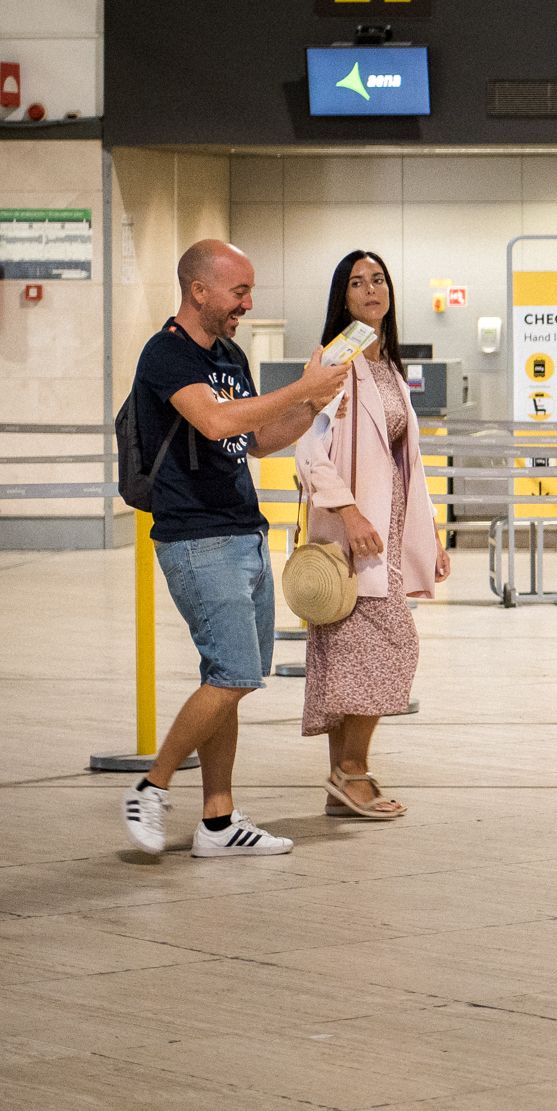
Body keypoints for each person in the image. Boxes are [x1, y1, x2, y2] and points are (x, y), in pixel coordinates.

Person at [121, 240, 346, 859]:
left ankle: (218, 822)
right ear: (199, 290)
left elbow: (254, 440)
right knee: (234, 674)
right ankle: (150, 786)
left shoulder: (229, 355)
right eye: (238, 291)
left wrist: (312, 404)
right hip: (197, 538)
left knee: (230, 678)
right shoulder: (167, 353)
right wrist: (299, 386)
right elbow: (217, 421)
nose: (247, 304)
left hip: (244, 530)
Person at [295, 251, 448, 820]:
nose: (370, 290)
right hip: (356, 535)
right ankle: (353, 773)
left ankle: (344, 781)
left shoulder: (387, 367)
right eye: (357, 283)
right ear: (343, 298)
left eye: (378, 280)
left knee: (350, 663)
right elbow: (309, 449)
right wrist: (350, 512)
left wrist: (431, 536)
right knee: (388, 650)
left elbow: (407, 465)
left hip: (389, 532)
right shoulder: (336, 360)